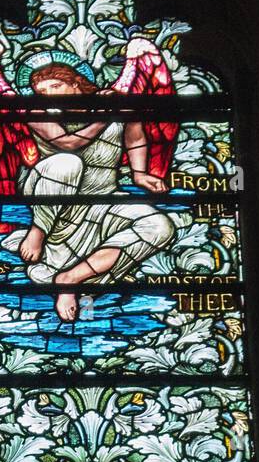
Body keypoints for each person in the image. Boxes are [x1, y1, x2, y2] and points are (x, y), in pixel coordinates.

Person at [14, 61, 176, 321]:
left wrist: (139, 174)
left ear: (76, 83)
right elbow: (70, 144)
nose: (50, 95)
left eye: (56, 86)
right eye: (43, 91)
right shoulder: (38, 111)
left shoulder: (111, 103)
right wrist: (104, 115)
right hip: (55, 200)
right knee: (67, 162)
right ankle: (38, 231)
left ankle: (71, 280)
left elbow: (134, 136)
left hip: (104, 198)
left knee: (160, 226)